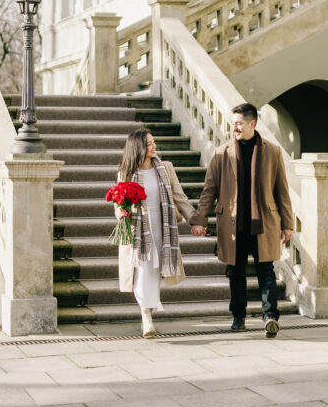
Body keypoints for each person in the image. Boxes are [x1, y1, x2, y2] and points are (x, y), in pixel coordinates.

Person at [190, 103, 293, 337]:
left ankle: (270, 317)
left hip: (263, 223)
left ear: (252, 124)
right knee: (235, 272)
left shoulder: (273, 152)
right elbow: (209, 191)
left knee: (265, 270)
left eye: (238, 123)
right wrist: (200, 219)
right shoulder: (220, 153)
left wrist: (287, 223)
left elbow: (282, 192)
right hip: (233, 224)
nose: (234, 127)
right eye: (233, 123)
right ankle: (239, 316)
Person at [115, 128, 197, 338]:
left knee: (155, 270)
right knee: (142, 270)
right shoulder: (126, 172)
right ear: (138, 147)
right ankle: (146, 317)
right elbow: (118, 203)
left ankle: (148, 311)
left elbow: (180, 198)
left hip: (163, 224)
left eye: (153, 142)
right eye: (149, 143)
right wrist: (121, 212)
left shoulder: (165, 168)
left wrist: (195, 219)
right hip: (138, 228)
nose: (154, 146)